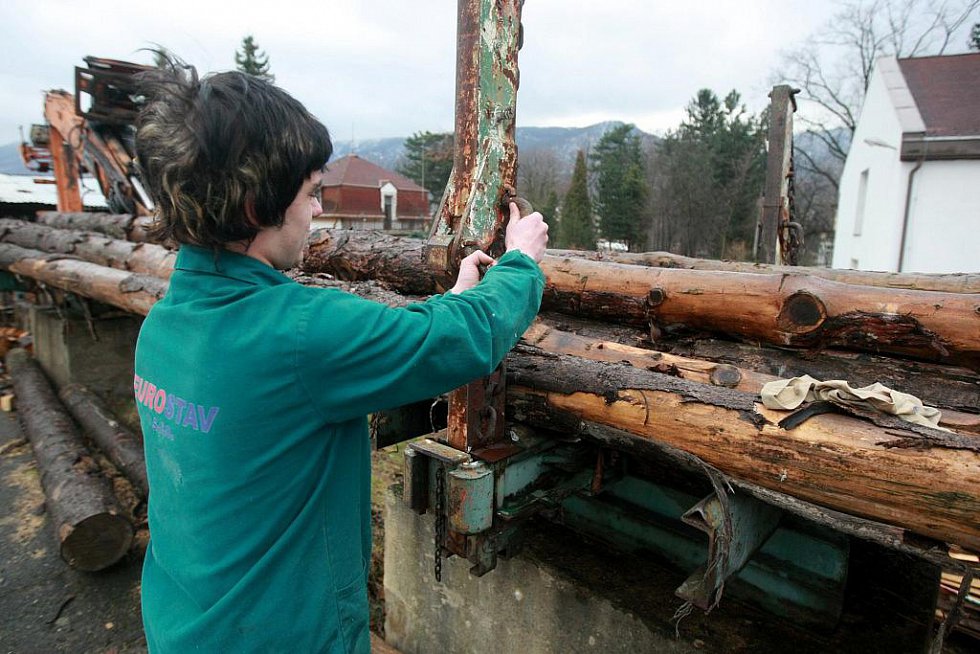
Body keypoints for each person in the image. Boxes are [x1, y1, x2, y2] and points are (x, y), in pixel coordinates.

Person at [132, 59, 548, 653]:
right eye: (310, 193)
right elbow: (470, 337)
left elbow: (358, 347)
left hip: (183, 623)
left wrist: (450, 298)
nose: (318, 210)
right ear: (256, 208)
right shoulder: (298, 333)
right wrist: (522, 262)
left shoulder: (166, 325)